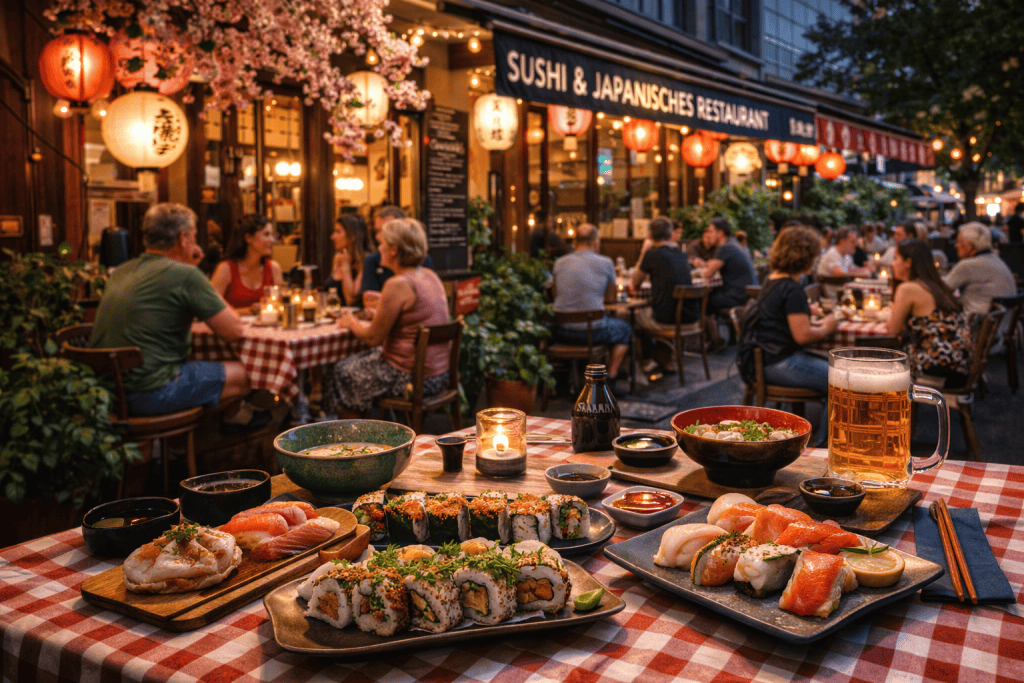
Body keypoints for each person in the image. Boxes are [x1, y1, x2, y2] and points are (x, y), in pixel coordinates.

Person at [90, 203, 256, 422]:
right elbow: (233, 331)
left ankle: (182, 443)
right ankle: (199, 444)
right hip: (150, 393)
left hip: (105, 393)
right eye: (195, 238)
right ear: (183, 239)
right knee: (249, 374)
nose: (196, 245)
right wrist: (194, 271)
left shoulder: (122, 270)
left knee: (200, 367)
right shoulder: (185, 275)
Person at [321, 219, 450, 416]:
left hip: (411, 378)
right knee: (351, 365)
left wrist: (350, 321)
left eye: (382, 244)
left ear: (394, 250)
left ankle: (356, 433)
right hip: (439, 374)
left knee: (339, 369)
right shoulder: (429, 274)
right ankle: (377, 424)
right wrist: (380, 310)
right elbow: (415, 315)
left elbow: (373, 338)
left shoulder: (397, 283)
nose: (379, 248)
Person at [738, 226, 838, 441]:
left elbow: (777, 315)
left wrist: (803, 311)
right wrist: (829, 326)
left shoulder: (773, 281)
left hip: (763, 360)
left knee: (836, 374)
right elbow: (802, 335)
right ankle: (824, 446)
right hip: (779, 363)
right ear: (805, 256)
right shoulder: (792, 288)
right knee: (841, 383)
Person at [551, 223, 632, 392]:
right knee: (624, 329)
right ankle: (610, 378)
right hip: (592, 333)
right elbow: (610, 299)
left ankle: (567, 379)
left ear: (574, 241)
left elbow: (555, 294)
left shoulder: (559, 262)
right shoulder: (606, 262)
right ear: (596, 242)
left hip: (561, 331)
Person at [887, 239, 972, 389]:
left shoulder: (908, 288)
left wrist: (892, 309)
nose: (892, 264)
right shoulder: (937, 285)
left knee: (876, 362)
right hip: (959, 366)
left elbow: (892, 330)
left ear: (908, 262)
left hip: (937, 369)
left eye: (895, 259)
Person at [630, 217, 699, 372]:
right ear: (670, 234)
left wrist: (644, 252)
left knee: (633, 317)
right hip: (691, 317)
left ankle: (647, 360)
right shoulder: (681, 255)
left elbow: (635, 282)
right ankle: (664, 359)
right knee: (662, 307)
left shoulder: (652, 254)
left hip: (669, 320)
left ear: (649, 235)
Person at [360, 206, 435, 311]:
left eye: (386, 230)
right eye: (377, 231)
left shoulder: (422, 260)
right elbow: (369, 301)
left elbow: (426, 303)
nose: (378, 237)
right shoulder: (372, 261)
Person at [210, 214, 285, 310]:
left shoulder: (274, 268)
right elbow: (211, 308)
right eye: (266, 234)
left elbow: (281, 306)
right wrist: (249, 311)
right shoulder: (226, 268)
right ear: (248, 237)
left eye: (272, 235)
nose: (272, 240)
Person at [943, 222, 1017, 317]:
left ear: (969, 245)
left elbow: (941, 289)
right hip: (1004, 326)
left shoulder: (968, 265)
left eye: (959, 242)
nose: (956, 245)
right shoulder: (996, 260)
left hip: (978, 326)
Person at [702, 217, 758, 313]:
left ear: (720, 233)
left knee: (702, 301)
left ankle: (706, 328)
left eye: (711, 232)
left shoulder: (726, 247)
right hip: (748, 295)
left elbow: (708, 274)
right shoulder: (733, 244)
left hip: (738, 296)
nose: (708, 235)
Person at [323, 214, 373, 306]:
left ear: (352, 236)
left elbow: (350, 300)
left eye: (338, 232)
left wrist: (345, 267)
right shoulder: (338, 258)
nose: (332, 237)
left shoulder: (366, 261)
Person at [815, 226, 872, 298]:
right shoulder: (833, 253)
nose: (856, 244)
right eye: (852, 241)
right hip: (834, 297)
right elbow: (839, 273)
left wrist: (864, 270)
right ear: (842, 241)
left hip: (844, 294)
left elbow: (851, 270)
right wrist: (860, 273)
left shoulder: (846, 256)